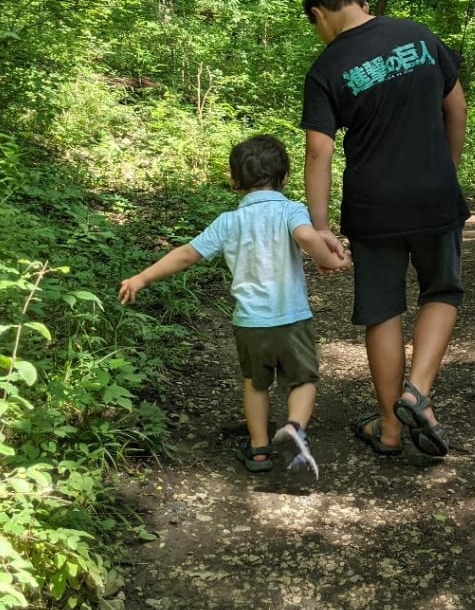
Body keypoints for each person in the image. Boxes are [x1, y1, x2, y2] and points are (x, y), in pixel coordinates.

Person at [300, 0, 469, 460]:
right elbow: (456, 109)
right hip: (434, 192)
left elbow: (318, 151)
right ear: (363, 1)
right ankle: (417, 392)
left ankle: (390, 429)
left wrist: (320, 227)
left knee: (382, 309)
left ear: (319, 14)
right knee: (442, 291)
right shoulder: (418, 35)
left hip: (373, 205)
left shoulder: (326, 68)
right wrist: (446, 172)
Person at [117, 134, 349, 479]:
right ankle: (294, 429)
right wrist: (328, 259)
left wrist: (141, 278)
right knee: (303, 379)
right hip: (292, 319)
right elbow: (304, 235)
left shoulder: (229, 221)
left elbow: (187, 254)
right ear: (284, 176)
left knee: (255, 383)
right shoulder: (291, 209)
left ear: (235, 181)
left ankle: (258, 449)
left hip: (250, 323)